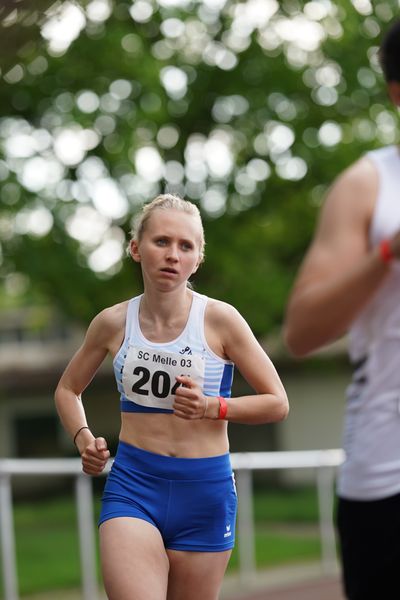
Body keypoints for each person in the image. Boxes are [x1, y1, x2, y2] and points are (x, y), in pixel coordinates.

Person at [55, 193, 289, 600]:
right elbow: (67, 388)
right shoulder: (112, 322)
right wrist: (82, 438)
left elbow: (276, 402)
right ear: (135, 248)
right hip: (133, 485)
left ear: (198, 258)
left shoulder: (221, 320)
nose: (172, 255)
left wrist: (211, 407)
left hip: (205, 491)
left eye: (186, 246)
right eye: (161, 241)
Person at [283, 20, 400, 600]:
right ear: (398, 92)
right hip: (388, 478)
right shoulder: (368, 185)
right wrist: (388, 252)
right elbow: (301, 331)